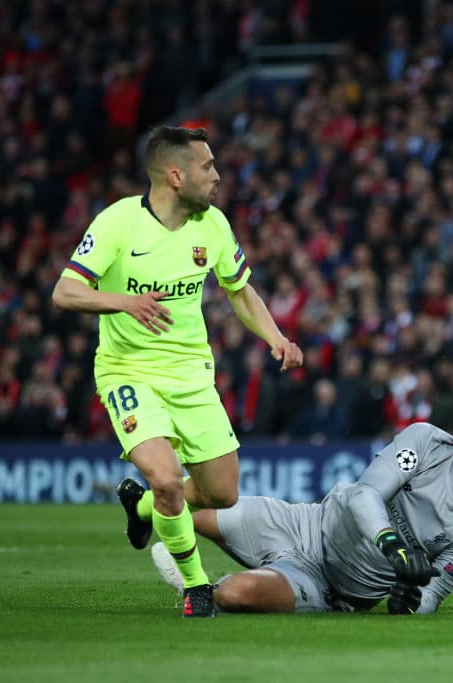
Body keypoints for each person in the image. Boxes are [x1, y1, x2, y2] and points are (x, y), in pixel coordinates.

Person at [51, 125, 304, 616]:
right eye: (207, 167)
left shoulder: (212, 225)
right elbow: (65, 292)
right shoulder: (118, 223)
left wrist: (275, 337)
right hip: (128, 373)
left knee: (222, 493)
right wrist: (124, 302)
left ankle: (142, 507)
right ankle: (196, 587)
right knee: (167, 479)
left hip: (192, 374)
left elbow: (239, 289)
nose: (217, 176)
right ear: (174, 175)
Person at [150, 410, 453, 615]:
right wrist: (394, 544)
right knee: (192, 511)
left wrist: (409, 602)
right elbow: (365, 495)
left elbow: (436, 593)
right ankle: (140, 508)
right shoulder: (427, 441)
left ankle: (196, 588)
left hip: (332, 585)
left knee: (238, 594)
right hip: (307, 524)